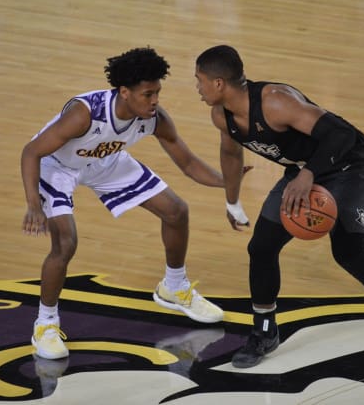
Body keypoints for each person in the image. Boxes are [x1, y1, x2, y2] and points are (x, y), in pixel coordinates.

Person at [193, 45, 364, 392]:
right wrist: (233, 200)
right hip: (302, 172)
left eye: (200, 80)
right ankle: (265, 332)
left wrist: (309, 173)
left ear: (219, 83)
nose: (197, 87)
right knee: (262, 247)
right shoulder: (221, 116)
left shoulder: (276, 102)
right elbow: (229, 153)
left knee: (350, 254)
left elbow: (342, 135)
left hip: (347, 164)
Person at [21, 47, 228, 360]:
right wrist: (33, 205)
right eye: (148, 94)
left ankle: (174, 286)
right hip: (57, 166)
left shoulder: (154, 118)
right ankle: (45, 324)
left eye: (157, 92)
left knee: (176, 211)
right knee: (65, 243)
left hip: (105, 160)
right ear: (124, 92)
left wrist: (227, 180)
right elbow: (31, 151)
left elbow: (187, 162)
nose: (155, 100)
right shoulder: (85, 114)